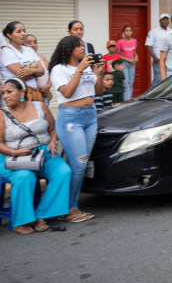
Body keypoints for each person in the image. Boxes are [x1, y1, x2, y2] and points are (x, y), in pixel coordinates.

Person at [0, 78, 71, 234]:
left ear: (22, 92)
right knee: (25, 177)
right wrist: (14, 152)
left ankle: (42, 214)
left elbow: (53, 129)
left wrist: (53, 141)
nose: (5, 96)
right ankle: (21, 221)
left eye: (9, 91)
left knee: (63, 172)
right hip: (12, 158)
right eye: (3, 93)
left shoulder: (40, 106)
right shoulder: (2, 114)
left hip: (43, 154)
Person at [49, 35, 104, 222]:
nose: (83, 48)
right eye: (79, 45)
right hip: (71, 119)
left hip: (90, 116)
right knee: (79, 164)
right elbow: (67, 92)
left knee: (81, 163)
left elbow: (98, 92)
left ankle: (69, 205)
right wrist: (80, 70)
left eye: (83, 45)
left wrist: (98, 71)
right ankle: (69, 208)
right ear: (68, 48)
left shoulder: (86, 67)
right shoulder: (59, 69)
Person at [1, 22, 45, 101]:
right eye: (19, 31)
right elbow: (22, 75)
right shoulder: (6, 51)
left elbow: (42, 71)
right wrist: (36, 72)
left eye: (24, 31)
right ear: (9, 35)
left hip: (33, 92)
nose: (23, 34)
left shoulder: (29, 50)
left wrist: (32, 70)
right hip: (15, 96)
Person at [23, 34, 52, 107]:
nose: (33, 45)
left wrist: (47, 87)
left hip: (45, 94)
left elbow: (51, 74)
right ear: (23, 44)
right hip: (32, 94)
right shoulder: (23, 59)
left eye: (35, 42)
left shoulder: (41, 57)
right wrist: (39, 90)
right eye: (29, 42)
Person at [145, 14, 171, 87]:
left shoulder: (171, 31)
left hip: (169, 60)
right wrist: (154, 56)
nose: (165, 21)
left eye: (166, 19)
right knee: (158, 79)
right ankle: (151, 96)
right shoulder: (153, 31)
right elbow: (148, 44)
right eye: (163, 19)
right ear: (160, 21)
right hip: (158, 60)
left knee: (168, 79)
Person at [116, 25, 138, 101]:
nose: (128, 32)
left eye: (130, 31)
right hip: (124, 63)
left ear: (132, 32)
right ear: (123, 32)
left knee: (130, 83)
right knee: (125, 83)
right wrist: (128, 60)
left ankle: (129, 99)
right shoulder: (120, 42)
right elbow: (117, 55)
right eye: (126, 31)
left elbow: (134, 52)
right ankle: (126, 101)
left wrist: (136, 57)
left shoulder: (134, 41)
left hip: (132, 63)